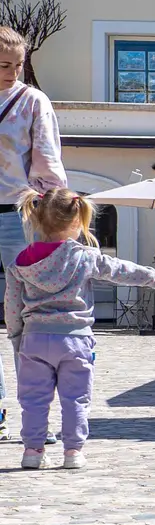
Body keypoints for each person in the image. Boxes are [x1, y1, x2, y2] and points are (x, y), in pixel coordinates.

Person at [6, 189, 155, 469]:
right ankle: (73, 452)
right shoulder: (85, 257)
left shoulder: (20, 262)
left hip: (34, 338)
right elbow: (120, 270)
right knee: (76, 399)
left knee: (32, 400)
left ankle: (32, 451)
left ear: (37, 219)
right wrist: (153, 277)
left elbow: (11, 305)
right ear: (79, 222)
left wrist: (16, 336)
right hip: (75, 339)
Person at [0, 26, 67, 442]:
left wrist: (58, 223)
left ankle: (35, 419)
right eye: (4, 65)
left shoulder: (31, 101)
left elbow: (48, 161)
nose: (12, 71)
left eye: (17, 64)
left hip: (20, 218)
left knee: (26, 321)